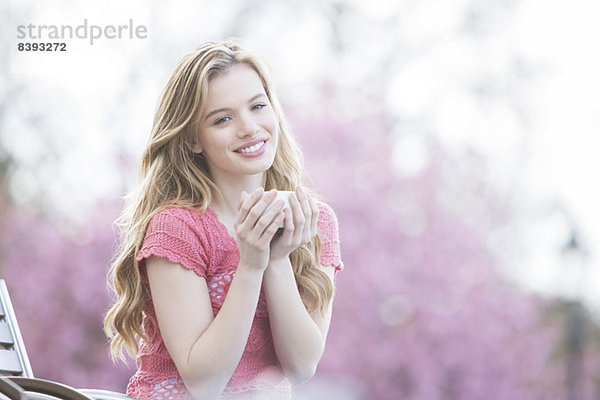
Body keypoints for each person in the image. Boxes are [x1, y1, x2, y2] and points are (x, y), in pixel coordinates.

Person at [103, 40, 344, 400]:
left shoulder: (313, 221)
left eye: (258, 106)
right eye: (223, 119)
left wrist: (276, 259)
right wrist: (251, 266)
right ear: (193, 140)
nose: (249, 127)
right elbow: (204, 382)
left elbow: (301, 367)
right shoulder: (178, 229)